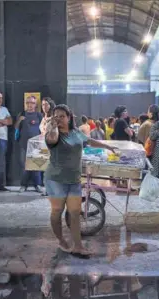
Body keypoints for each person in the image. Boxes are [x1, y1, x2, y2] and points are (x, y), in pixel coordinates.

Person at [44, 104, 116, 257]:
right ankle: (61, 239)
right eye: (55, 116)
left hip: (74, 179)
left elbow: (89, 141)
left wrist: (108, 147)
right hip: (56, 180)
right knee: (57, 211)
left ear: (69, 117)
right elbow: (52, 138)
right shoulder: (53, 133)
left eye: (62, 116)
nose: (59, 119)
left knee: (75, 212)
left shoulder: (76, 133)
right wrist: (52, 126)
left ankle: (78, 246)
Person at [14, 96, 43, 193]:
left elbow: (43, 129)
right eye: (28, 103)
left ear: (35, 104)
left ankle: (38, 185)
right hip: (24, 144)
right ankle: (23, 185)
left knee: (36, 165)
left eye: (32, 103)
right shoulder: (22, 114)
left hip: (36, 145)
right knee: (24, 166)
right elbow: (16, 127)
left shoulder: (39, 115)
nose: (30, 105)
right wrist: (19, 120)